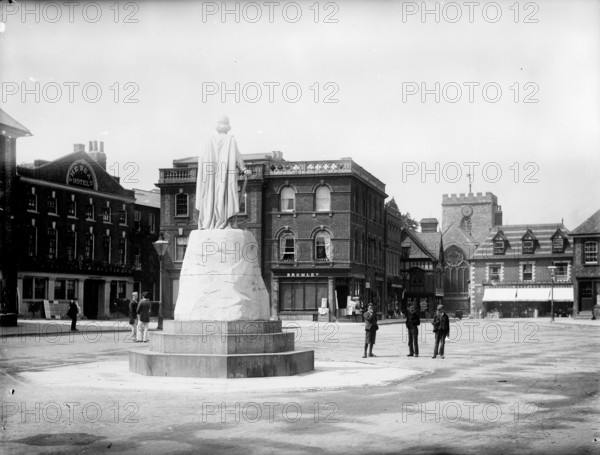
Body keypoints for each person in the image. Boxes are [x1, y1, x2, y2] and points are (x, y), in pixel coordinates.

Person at [195, 115, 248, 230]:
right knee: (224, 197)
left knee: (211, 197)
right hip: (224, 175)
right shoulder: (230, 140)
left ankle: (209, 222)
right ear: (228, 126)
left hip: (211, 176)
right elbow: (239, 158)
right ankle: (223, 222)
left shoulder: (210, 140)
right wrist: (244, 169)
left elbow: (202, 159)